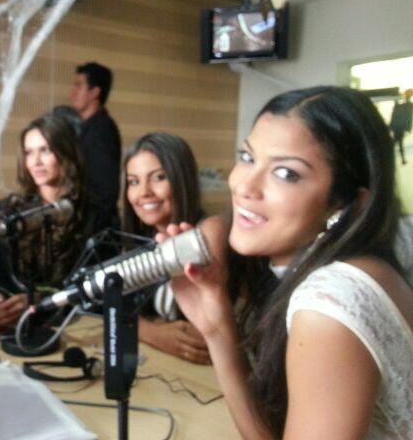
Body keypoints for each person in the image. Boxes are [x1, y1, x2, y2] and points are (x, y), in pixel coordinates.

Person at [166, 86, 413, 438]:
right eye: (247, 157)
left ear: (347, 204)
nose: (244, 186)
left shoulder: (331, 301)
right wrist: (216, 328)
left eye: (286, 173)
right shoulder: (369, 259)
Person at [0, 113, 103, 333]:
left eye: (45, 150)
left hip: (75, 327)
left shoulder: (94, 213)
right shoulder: (8, 210)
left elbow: (95, 286)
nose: (35, 162)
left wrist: (39, 300)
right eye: (29, 153)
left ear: (65, 153)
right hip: (17, 325)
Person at [122, 132, 210, 364]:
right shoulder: (138, 241)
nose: (144, 192)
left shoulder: (209, 240)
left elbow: (201, 337)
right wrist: (150, 331)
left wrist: (147, 328)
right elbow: (117, 309)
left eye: (159, 177)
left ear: (182, 180)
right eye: (134, 182)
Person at [70, 62, 121, 228]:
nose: (73, 92)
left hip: (96, 228)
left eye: (79, 86)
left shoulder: (101, 130)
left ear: (95, 92)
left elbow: (105, 191)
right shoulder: (88, 127)